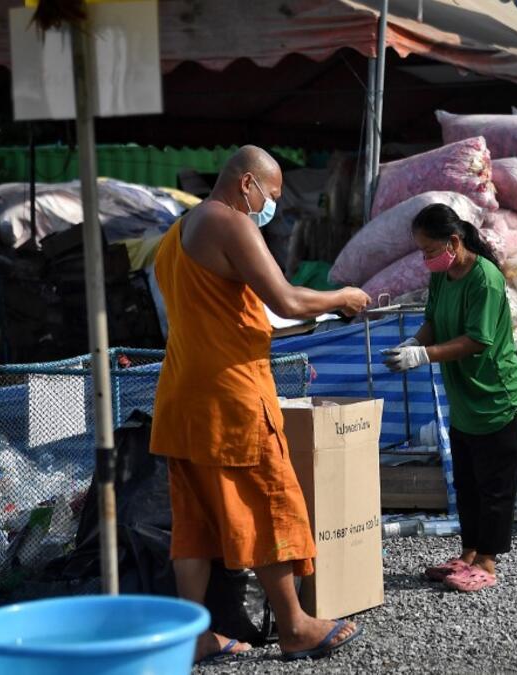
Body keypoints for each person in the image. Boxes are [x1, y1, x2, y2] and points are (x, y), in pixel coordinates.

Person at [151, 146, 370, 662]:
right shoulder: (229, 221)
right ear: (246, 183)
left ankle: (196, 635)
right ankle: (295, 627)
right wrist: (342, 297)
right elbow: (287, 301)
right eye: (269, 196)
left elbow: (220, 308)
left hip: (181, 396)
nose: (268, 206)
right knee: (271, 506)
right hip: (231, 397)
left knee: (196, 526)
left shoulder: (174, 235)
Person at [382, 204, 517, 593]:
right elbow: (433, 320)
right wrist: (415, 341)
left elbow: (477, 341)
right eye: (422, 252)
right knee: (466, 481)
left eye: (430, 250)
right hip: (464, 397)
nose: (426, 259)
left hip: (497, 396)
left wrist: (424, 355)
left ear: (454, 241)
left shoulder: (485, 278)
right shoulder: (443, 275)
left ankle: (487, 562)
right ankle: (467, 553)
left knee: (494, 486)